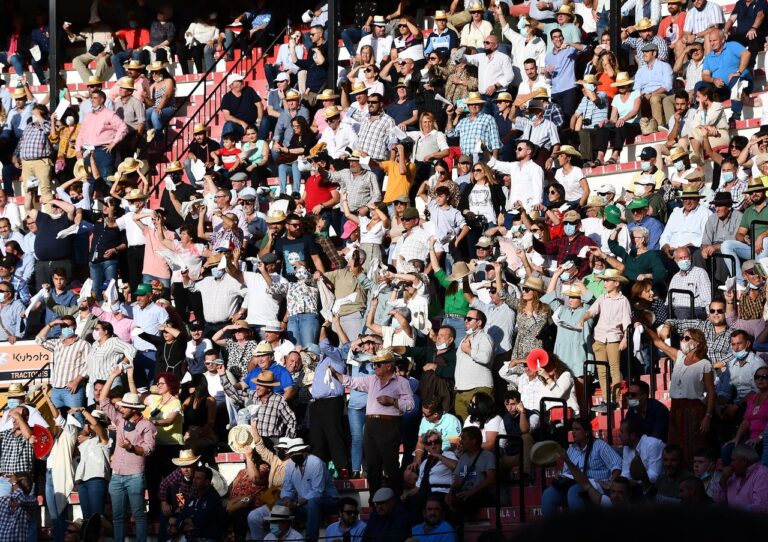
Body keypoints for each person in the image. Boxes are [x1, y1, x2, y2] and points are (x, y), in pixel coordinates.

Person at [330, 348, 414, 499]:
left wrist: (393, 401)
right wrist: (335, 374)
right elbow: (352, 382)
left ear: (389, 365)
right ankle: (374, 499)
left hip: (389, 425)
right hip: (371, 425)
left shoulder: (401, 382)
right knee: (373, 466)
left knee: (390, 466)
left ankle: (395, 499)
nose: (374, 367)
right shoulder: (372, 380)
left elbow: (410, 405)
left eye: (378, 364)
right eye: (374, 364)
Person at [100, 366, 158, 542]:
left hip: (135, 475)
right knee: (117, 516)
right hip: (117, 474)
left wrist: (132, 448)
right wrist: (112, 376)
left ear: (134, 409)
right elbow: (103, 400)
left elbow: (149, 449)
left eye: (124, 407)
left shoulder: (147, 425)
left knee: (138, 514)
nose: (121, 409)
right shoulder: (119, 419)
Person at [646, 326, 715, 468]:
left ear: (697, 343)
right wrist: (644, 326)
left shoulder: (704, 364)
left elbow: (711, 392)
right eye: (682, 337)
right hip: (676, 408)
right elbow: (658, 342)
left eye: (687, 338)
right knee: (676, 445)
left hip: (694, 410)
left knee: (694, 445)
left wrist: (708, 416)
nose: (683, 340)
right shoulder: (679, 356)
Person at [541, 418, 622, 516]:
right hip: (574, 484)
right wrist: (561, 476)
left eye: (577, 429)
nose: (573, 432)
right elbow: (566, 472)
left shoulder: (599, 445)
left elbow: (617, 464)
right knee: (548, 494)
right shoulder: (571, 450)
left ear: (587, 432)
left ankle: (580, 525)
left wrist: (611, 482)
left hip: (597, 486)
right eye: (572, 429)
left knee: (574, 491)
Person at [279, 438, 339, 542]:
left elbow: (317, 491)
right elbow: (287, 488)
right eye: (292, 453)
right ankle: (283, 537)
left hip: (328, 500)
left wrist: (296, 503)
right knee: (278, 504)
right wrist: (287, 499)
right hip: (304, 503)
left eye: (297, 452)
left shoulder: (315, 462)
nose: (294, 455)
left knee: (313, 502)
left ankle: (310, 539)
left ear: (305, 452)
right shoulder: (290, 466)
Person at [177, 466, 227, 540]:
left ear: (207, 482)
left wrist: (191, 522)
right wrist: (184, 521)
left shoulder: (213, 498)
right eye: (194, 478)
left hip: (206, 538)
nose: (194, 481)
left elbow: (200, 521)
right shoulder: (191, 495)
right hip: (189, 536)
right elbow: (181, 517)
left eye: (198, 478)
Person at [714, 444, 768, 511]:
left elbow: (760, 506)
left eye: (733, 460)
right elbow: (720, 503)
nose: (731, 464)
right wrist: (722, 481)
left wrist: (737, 515)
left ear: (743, 462)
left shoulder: (762, 474)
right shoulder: (733, 474)